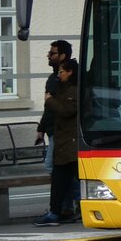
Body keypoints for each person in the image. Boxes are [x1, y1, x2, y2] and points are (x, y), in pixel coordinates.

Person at [34, 57, 79, 227]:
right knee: (60, 180)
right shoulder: (62, 88)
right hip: (63, 144)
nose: (59, 75)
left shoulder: (74, 90)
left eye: (62, 72)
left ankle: (63, 210)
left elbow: (66, 110)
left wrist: (50, 100)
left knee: (72, 178)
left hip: (70, 143)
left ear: (70, 72)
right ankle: (56, 212)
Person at [34, 40, 71, 176]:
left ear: (62, 56)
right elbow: (48, 107)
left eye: (52, 53)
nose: (48, 56)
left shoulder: (70, 78)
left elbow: (65, 106)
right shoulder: (52, 78)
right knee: (56, 167)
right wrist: (41, 129)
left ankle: (70, 190)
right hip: (53, 130)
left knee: (52, 166)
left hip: (62, 130)